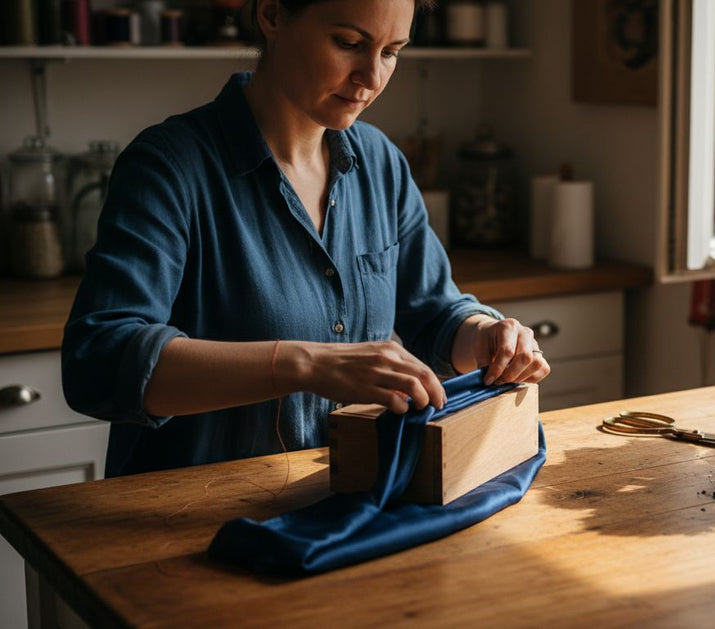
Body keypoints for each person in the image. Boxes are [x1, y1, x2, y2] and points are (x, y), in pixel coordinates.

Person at [61, 0, 549, 478]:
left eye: (390, 51)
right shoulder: (169, 167)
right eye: (349, 43)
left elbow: (437, 313)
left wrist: (487, 336)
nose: (372, 78)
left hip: (341, 510)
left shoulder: (381, 165)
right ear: (272, 14)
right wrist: (305, 364)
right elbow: (99, 360)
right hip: (185, 523)